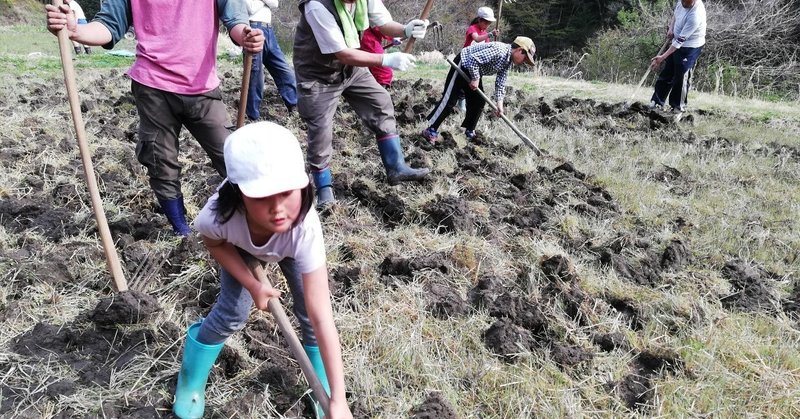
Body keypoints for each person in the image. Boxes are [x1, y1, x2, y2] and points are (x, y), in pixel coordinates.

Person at [176, 122, 351, 418]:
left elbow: (322, 314)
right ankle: (190, 380)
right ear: (239, 193)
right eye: (262, 197)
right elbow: (215, 244)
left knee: (309, 315)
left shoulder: (304, 228)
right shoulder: (218, 218)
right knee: (233, 312)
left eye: (286, 192)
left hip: (289, 247)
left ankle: (322, 388)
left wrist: (339, 398)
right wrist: (253, 284)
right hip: (240, 246)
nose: (279, 208)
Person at [45, 0, 264, 237]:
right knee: (160, 161)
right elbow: (109, 26)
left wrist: (246, 36)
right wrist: (75, 30)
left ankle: (256, 220)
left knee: (233, 154)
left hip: (202, 87)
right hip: (153, 87)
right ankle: (181, 231)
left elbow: (234, 19)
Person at [293, 0, 432, 208]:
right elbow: (342, 52)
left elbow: (384, 24)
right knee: (321, 130)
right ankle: (324, 190)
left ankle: (396, 167)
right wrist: (386, 60)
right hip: (318, 75)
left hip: (351, 70)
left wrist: (406, 28)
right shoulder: (317, 6)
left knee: (380, 102)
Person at [422, 36, 536, 142]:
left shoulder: (507, 61)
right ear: (519, 50)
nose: (523, 63)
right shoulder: (500, 50)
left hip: (474, 70)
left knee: (479, 101)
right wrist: (476, 78)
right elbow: (473, 59)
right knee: (450, 100)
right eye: (525, 59)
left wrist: (499, 103)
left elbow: (500, 82)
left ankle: (469, 130)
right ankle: (431, 130)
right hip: (463, 63)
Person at [649, 0, 706, 117]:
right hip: (677, 40)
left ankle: (678, 107)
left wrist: (662, 57)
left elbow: (679, 42)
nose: (684, 3)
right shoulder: (681, 2)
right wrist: (671, 28)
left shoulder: (695, 15)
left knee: (681, 75)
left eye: (687, 2)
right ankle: (657, 102)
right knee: (667, 71)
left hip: (690, 46)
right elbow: (676, 14)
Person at [245, 0, 298, 121]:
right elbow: (250, 8)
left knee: (283, 69)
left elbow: (275, 3)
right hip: (252, 27)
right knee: (255, 74)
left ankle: (295, 108)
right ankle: (252, 116)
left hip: (268, 29)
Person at [456, 6, 500, 112]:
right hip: (465, 60)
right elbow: (476, 38)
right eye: (485, 23)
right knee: (462, 82)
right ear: (480, 20)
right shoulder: (472, 29)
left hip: (477, 64)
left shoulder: (485, 34)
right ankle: (460, 103)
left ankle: (469, 104)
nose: (486, 26)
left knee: (473, 84)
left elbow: (488, 48)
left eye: (489, 24)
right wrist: (490, 34)